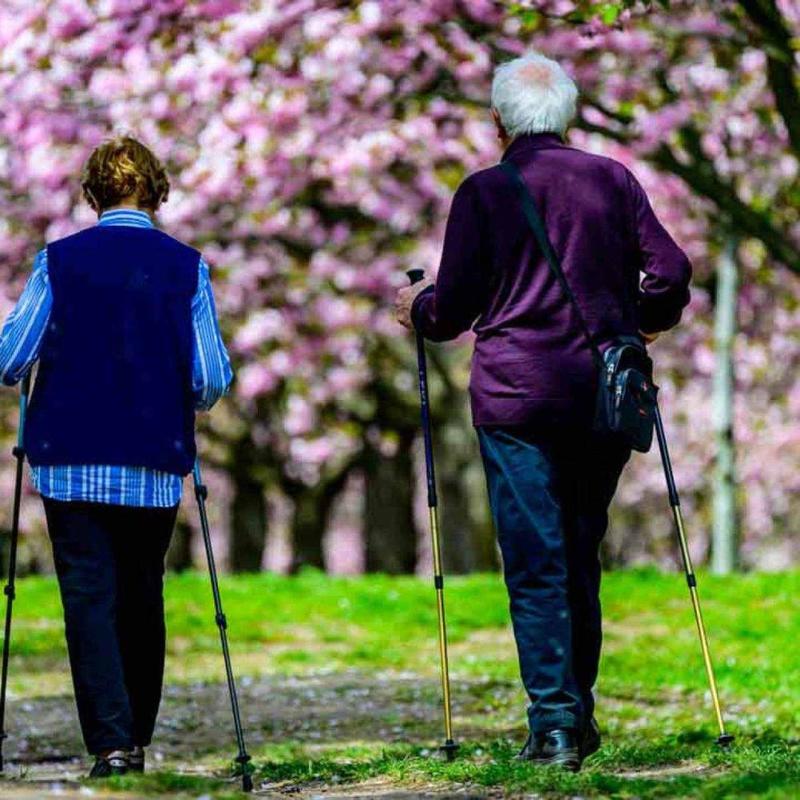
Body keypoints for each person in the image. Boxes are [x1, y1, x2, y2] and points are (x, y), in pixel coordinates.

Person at [395, 52, 691, 771]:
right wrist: (639, 320)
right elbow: (673, 271)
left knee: (535, 561)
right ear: (568, 114)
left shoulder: (485, 192)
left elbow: (454, 310)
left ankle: (555, 725)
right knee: (579, 553)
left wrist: (419, 307)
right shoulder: (611, 179)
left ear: (497, 122)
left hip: (517, 397)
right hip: (600, 395)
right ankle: (577, 715)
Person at [0, 135, 233, 778]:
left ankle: (112, 745)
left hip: (68, 458)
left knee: (88, 598)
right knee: (140, 593)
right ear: (156, 192)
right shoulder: (187, 266)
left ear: (92, 194)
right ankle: (137, 731)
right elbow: (211, 375)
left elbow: (11, 357)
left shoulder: (58, 262)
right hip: (152, 459)